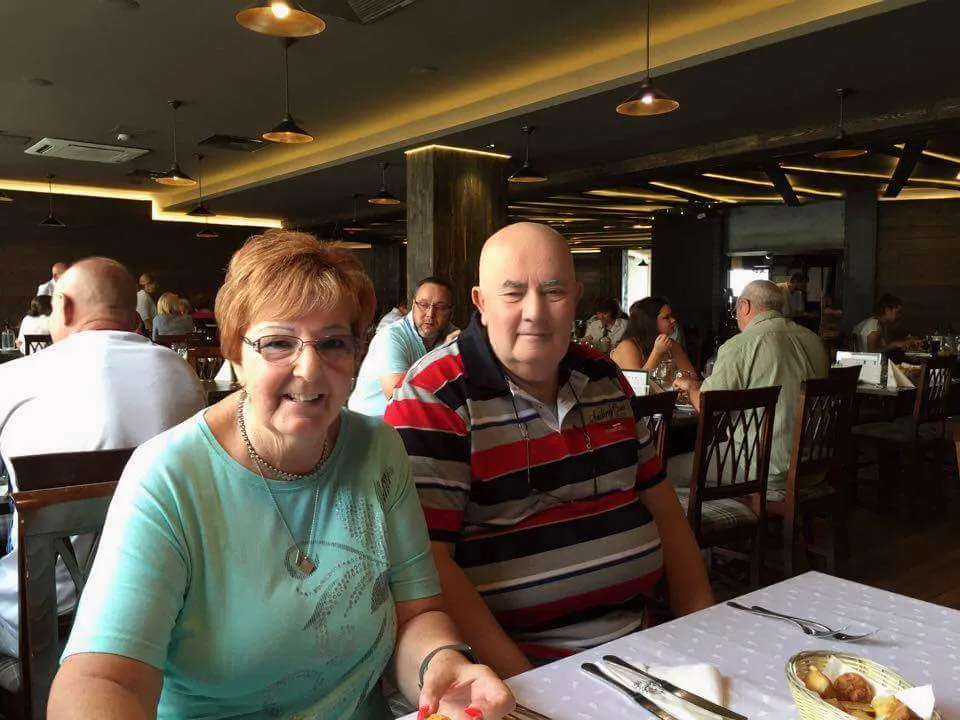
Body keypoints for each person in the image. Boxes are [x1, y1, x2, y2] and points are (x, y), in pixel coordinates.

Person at [49, 232, 513, 720]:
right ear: (235, 353)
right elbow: (102, 679)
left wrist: (440, 663)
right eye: (277, 343)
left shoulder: (378, 449)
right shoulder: (168, 478)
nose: (309, 370)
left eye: (333, 342)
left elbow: (416, 614)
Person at [384, 223, 713, 677]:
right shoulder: (433, 395)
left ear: (576, 299)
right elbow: (429, 565)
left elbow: (667, 516)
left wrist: (704, 635)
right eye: (513, 293)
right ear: (481, 303)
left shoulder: (604, 377)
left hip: (643, 650)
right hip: (514, 673)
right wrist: (528, 690)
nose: (535, 313)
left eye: (553, 291)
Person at [0, 257, 206, 660]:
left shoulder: (14, 377)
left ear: (66, 307)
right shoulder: (182, 373)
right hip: (162, 606)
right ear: (133, 313)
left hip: (46, 618)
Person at [672, 280, 829, 493]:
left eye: (736, 311)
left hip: (762, 468)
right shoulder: (814, 340)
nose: (736, 316)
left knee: (666, 472)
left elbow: (708, 406)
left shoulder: (741, 345)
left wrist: (691, 387)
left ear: (745, 306)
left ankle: (717, 513)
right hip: (813, 465)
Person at [348, 278, 458, 417]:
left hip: (411, 423)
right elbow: (400, 398)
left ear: (451, 312)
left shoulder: (451, 335)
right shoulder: (391, 337)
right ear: (413, 305)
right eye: (423, 305)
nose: (430, 314)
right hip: (369, 423)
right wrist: (444, 356)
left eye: (440, 308)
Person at [610, 297, 696, 379]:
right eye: (666, 317)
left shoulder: (670, 344)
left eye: (671, 316)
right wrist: (657, 353)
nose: (673, 320)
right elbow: (636, 385)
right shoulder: (628, 346)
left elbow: (692, 376)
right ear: (650, 321)